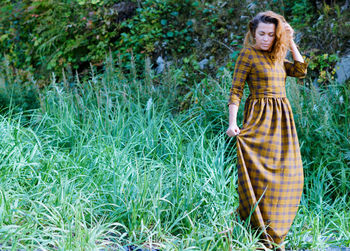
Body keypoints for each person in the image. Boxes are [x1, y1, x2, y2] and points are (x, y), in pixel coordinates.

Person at [226, 11, 307, 250]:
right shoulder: (247, 55)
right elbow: (236, 90)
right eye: (261, 33)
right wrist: (233, 123)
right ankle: (259, 234)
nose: (265, 39)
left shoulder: (278, 55)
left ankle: (276, 232)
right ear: (253, 33)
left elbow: (301, 71)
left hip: (282, 121)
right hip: (259, 119)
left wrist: (289, 41)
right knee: (259, 177)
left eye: (271, 35)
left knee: (289, 175)